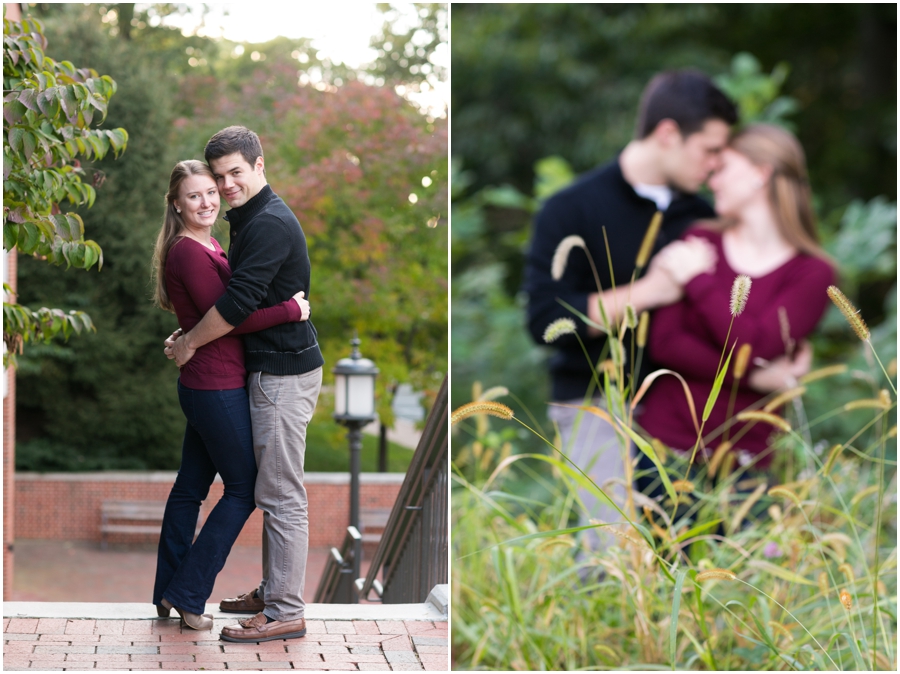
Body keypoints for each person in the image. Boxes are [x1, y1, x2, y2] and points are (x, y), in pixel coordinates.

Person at [523, 69, 740, 549]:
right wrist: (653, 289)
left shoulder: (705, 216)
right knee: (612, 556)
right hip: (595, 405)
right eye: (708, 150)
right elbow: (545, 322)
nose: (714, 165)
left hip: (692, 407)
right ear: (667, 134)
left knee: (700, 555)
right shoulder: (570, 209)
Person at [166, 126, 324, 644]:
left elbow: (235, 307)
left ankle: (284, 609)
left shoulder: (269, 223)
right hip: (263, 369)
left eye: (235, 172)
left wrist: (190, 342)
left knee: (279, 493)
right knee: (265, 487)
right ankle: (272, 590)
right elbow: (228, 298)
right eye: (218, 176)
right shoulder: (246, 220)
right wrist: (192, 331)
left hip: (283, 372)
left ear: (260, 165)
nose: (226, 185)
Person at [636, 124, 835, 499]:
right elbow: (664, 344)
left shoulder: (812, 273)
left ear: (761, 174)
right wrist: (757, 380)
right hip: (665, 449)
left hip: (749, 464)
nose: (713, 180)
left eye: (723, 167)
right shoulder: (699, 241)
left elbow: (755, 348)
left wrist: (698, 281)